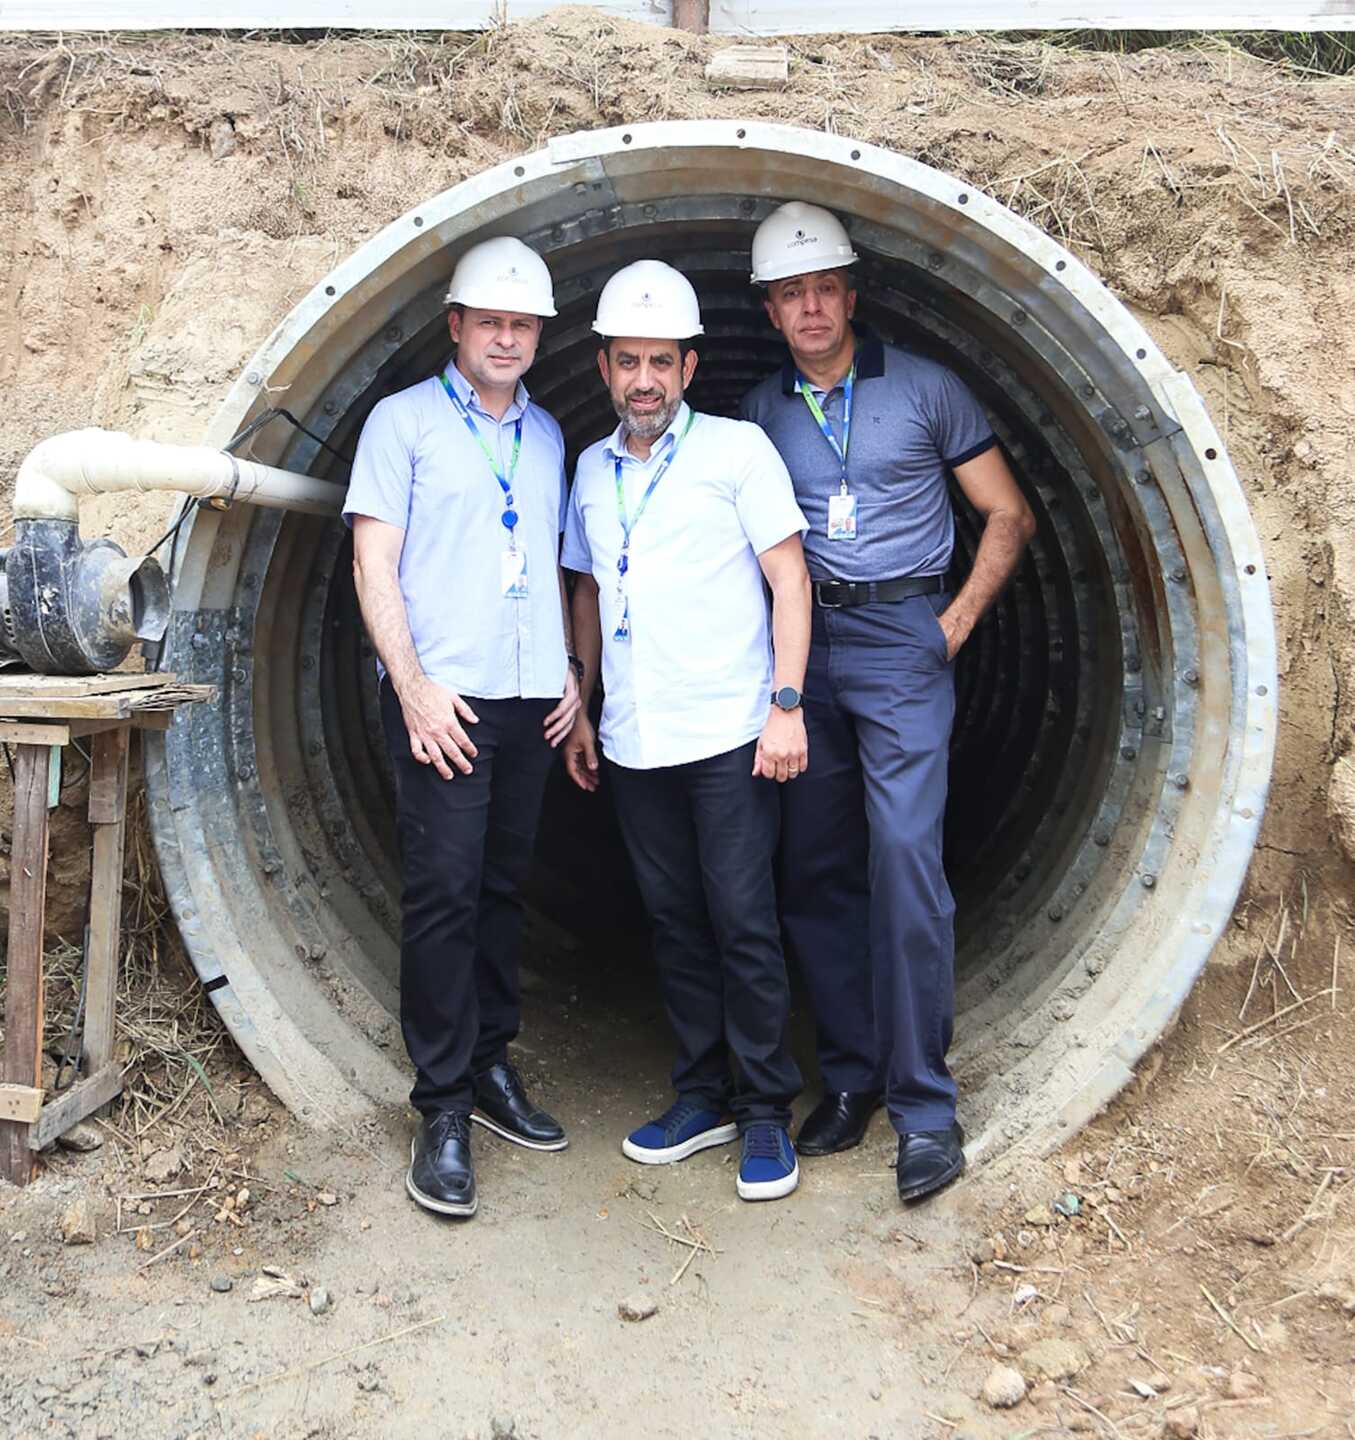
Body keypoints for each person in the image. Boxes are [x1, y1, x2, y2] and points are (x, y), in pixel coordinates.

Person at [740, 202, 1036, 1203]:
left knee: (904, 858)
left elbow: (1006, 512)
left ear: (850, 296)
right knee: (812, 866)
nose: (809, 306)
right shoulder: (757, 410)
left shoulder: (924, 388)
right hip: (802, 647)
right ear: (772, 310)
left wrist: (949, 628)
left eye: (823, 288)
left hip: (901, 640)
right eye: (790, 293)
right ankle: (851, 1077)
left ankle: (922, 1108)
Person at [561, 260, 812, 1203]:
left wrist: (785, 707)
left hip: (731, 735)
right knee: (672, 924)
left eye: (660, 362)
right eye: (627, 362)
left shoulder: (739, 453)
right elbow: (584, 586)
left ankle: (762, 1113)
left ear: (689, 366)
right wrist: (583, 703)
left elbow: (790, 581)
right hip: (634, 740)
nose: (643, 380)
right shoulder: (590, 467)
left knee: (743, 922)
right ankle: (700, 1095)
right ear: (603, 369)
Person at [343, 236, 583, 1219]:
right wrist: (413, 687)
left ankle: (488, 1068)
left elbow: (567, 565)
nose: (507, 338)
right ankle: (439, 1107)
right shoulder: (400, 426)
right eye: (491, 321)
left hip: (527, 699)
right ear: (456, 327)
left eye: (522, 325)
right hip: (443, 702)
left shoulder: (548, 436)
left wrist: (573, 677)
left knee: (498, 886)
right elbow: (373, 562)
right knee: (441, 894)